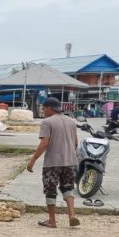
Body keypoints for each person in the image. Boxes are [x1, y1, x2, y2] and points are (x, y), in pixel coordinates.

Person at [27, 97, 80, 228]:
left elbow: (44, 142)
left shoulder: (47, 122)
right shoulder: (71, 121)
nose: (43, 111)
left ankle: (52, 220)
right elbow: (75, 142)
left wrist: (33, 160)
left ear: (50, 108)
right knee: (68, 188)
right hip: (69, 161)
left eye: (44, 108)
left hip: (52, 163)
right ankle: (72, 215)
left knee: (50, 190)